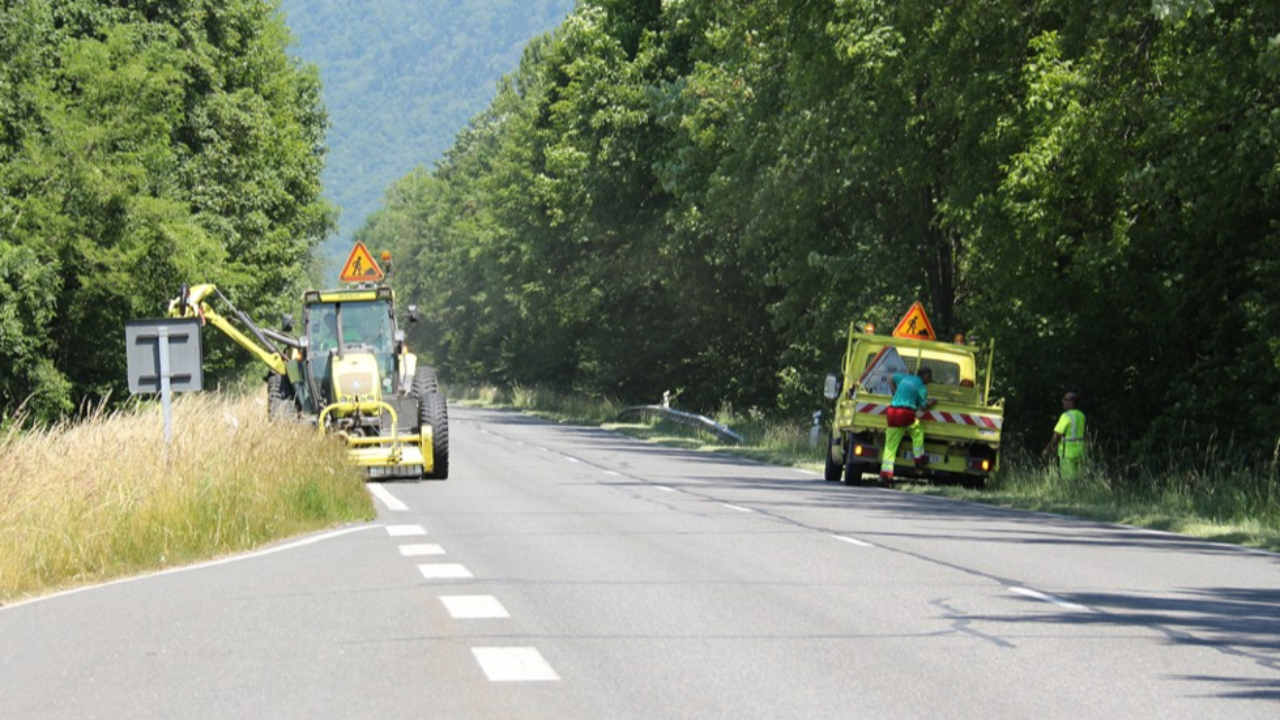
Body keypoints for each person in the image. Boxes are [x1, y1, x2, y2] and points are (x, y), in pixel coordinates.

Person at [880, 367, 938, 481]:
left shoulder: (905, 378)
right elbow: (923, 407)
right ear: (925, 376)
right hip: (905, 413)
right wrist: (931, 403)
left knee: (890, 445)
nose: (930, 381)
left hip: (892, 412)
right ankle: (918, 460)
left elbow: (889, 377)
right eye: (930, 378)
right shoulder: (922, 388)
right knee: (918, 432)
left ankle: (885, 474)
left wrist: (894, 392)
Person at [1042, 392, 1086, 479]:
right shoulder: (1081, 415)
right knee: (1080, 481)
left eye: (1065, 399)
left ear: (1072, 403)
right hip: (1081, 452)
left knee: (1068, 482)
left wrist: (1047, 450)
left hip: (1067, 454)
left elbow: (1056, 436)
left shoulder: (1066, 416)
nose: (1063, 401)